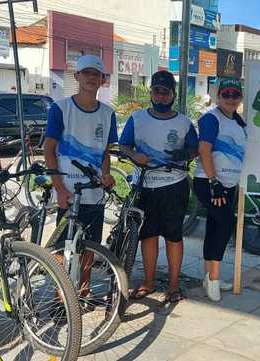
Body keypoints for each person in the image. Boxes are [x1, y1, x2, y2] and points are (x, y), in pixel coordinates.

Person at [43, 55, 118, 303]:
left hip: (93, 190)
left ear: (103, 80)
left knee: (90, 244)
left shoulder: (108, 114)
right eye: (86, 73)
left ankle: (83, 290)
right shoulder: (60, 108)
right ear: (77, 76)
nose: (91, 78)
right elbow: (49, 149)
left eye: (96, 74)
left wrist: (106, 176)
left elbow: (106, 152)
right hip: (68, 188)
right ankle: (60, 294)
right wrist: (59, 188)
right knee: (64, 246)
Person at [119, 70, 198, 304]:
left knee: (173, 236)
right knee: (148, 235)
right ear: (151, 93)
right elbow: (124, 145)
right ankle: (148, 282)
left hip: (174, 185)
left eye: (166, 92)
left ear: (172, 95)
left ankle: (174, 285)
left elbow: (195, 149)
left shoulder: (183, 123)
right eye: (157, 91)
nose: (161, 96)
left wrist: (186, 153)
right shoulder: (137, 119)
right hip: (144, 184)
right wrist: (135, 155)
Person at [193, 78, 247, 302]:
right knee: (225, 227)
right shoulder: (211, 119)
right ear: (218, 97)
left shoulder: (238, 122)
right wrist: (214, 184)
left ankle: (209, 275)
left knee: (215, 227)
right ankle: (213, 279)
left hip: (229, 184)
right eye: (226, 95)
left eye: (235, 95)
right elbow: (204, 150)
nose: (230, 99)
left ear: (240, 98)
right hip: (211, 183)